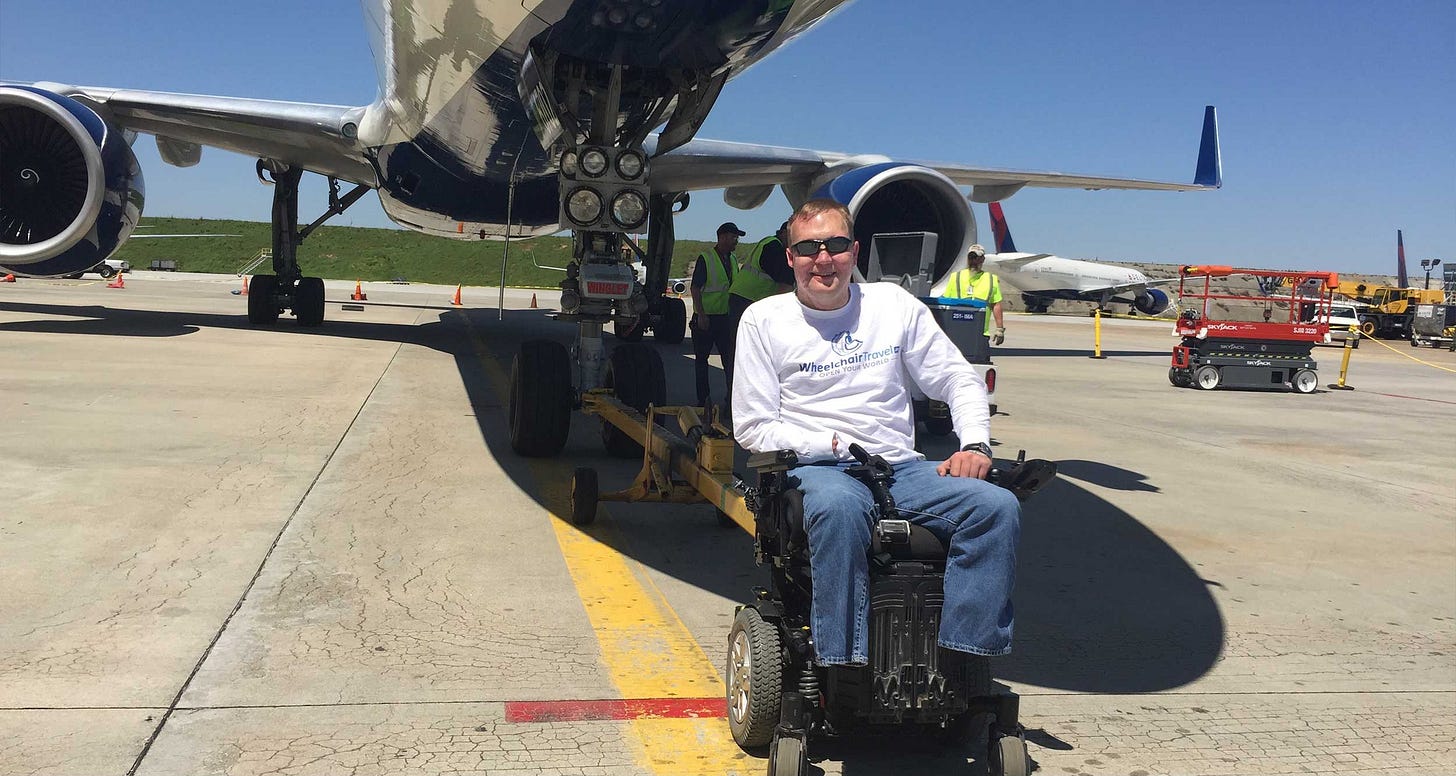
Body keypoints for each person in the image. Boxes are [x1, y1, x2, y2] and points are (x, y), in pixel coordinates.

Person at [733, 198, 1020, 666]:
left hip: (899, 467)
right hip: (819, 470)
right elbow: (753, 426)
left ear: (855, 251)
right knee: (839, 508)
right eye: (808, 248)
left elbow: (957, 378)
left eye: (836, 245)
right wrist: (826, 443)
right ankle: (843, 666)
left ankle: (958, 661)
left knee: (996, 508)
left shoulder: (892, 306)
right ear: (791, 258)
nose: (823, 259)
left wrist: (974, 444)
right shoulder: (764, 321)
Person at [689, 222, 745, 408]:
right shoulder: (706, 258)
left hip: (725, 319)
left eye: (737, 237)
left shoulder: (734, 260)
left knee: (729, 361)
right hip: (706, 318)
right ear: (722, 237)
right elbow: (695, 288)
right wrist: (702, 314)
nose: (736, 240)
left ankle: (731, 400)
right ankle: (703, 399)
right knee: (702, 361)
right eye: (733, 237)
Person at [728, 221, 796, 329]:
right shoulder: (775, 248)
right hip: (749, 300)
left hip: (741, 298)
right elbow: (786, 284)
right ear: (783, 233)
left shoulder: (768, 242)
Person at [944, 244, 1006, 345]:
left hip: (980, 333)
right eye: (971, 257)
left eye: (976, 257)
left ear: (982, 259)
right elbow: (945, 304)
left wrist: (1000, 329)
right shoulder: (956, 277)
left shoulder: (991, 279)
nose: (973, 260)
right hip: (957, 331)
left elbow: (996, 304)